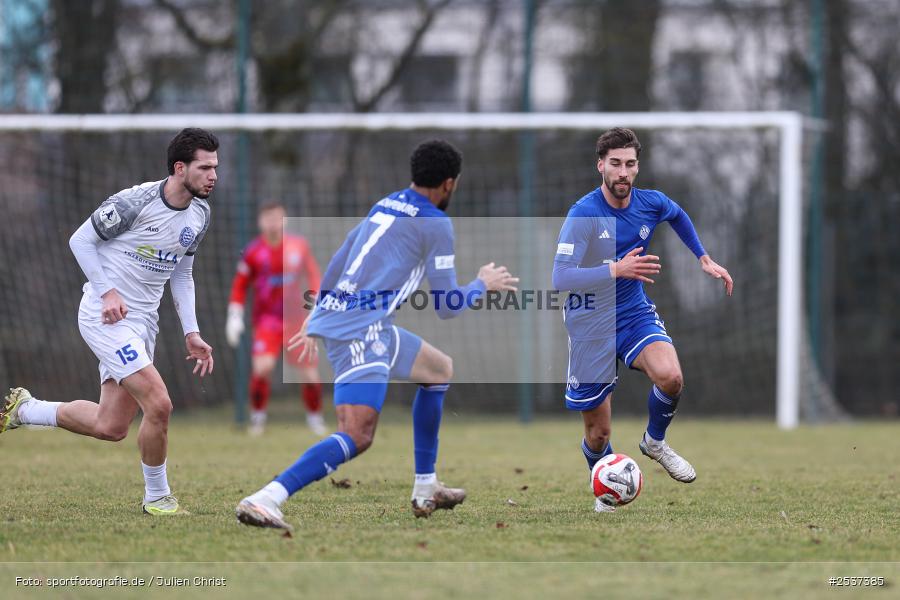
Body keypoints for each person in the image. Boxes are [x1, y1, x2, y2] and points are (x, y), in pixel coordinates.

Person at [235, 139, 518, 530]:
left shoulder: (387, 203)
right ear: (450, 183)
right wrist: (482, 284)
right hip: (360, 329)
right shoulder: (435, 223)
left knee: (438, 370)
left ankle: (426, 486)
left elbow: (341, 255)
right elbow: (448, 305)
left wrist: (318, 310)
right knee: (357, 434)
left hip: (362, 321)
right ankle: (267, 497)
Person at [0, 128, 219, 516]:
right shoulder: (135, 201)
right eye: (205, 167)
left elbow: (182, 275)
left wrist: (192, 332)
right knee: (160, 403)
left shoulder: (200, 214)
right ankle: (158, 498)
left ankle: (26, 410)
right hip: (104, 316)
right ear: (180, 167)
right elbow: (79, 241)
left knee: (111, 426)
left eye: (215, 167)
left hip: (142, 324)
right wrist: (107, 292)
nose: (213, 175)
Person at [552, 127, 733, 513]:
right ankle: (607, 488)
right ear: (601, 165)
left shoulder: (651, 203)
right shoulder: (583, 213)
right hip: (589, 321)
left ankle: (654, 442)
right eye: (615, 164)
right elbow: (560, 278)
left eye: (630, 164)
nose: (623, 172)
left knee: (672, 377)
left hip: (633, 313)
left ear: (637, 167)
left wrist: (703, 257)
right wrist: (615, 269)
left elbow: (678, 215)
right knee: (598, 433)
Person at [226, 202, 326, 436]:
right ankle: (258, 420)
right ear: (261, 222)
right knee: (263, 368)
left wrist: (316, 306)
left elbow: (314, 276)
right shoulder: (253, 252)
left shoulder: (298, 247)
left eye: (277, 218)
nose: (273, 223)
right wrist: (234, 314)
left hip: (297, 321)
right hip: (266, 322)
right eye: (268, 219)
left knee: (310, 374)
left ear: (285, 220)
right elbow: (240, 286)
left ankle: (315, 419)